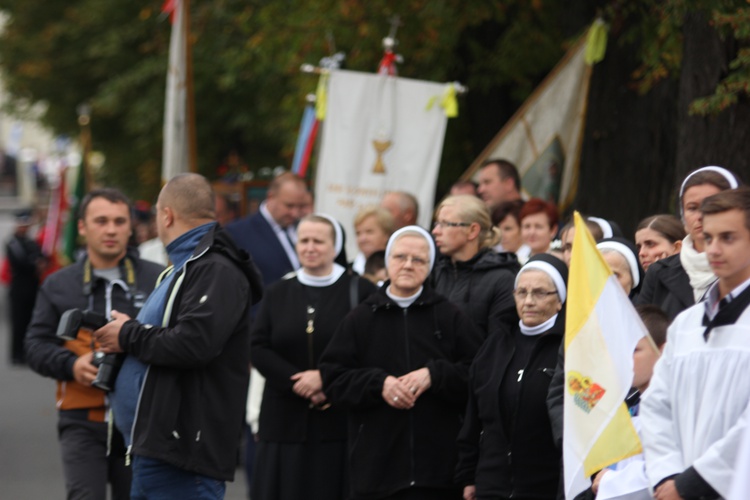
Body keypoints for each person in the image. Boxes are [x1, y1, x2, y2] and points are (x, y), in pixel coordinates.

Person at [95, 173, 263, 499]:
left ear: (167, 214)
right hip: (159, 449)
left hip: (184, 455)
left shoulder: (214, 268)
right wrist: (131, 330)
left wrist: (128, 334)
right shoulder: (185, 267)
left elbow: (194, 343)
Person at [320, 226, 482, 499]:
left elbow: (479, 374)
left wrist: (435, 375)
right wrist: (378, 383)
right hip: (377, 471)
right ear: (387, 261)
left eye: (418, 259)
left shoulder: (449, 316)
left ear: (430, 265)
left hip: (440, 471)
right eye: (400, 257)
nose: (408, 265)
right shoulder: (361, 318)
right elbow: (333, 377)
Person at [25, 188, 164, 500]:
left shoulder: (158, 279)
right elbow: (34, 346)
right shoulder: (59, 284)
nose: (111, 229)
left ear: (132, 227)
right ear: (83, 227)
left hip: (143, 420)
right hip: (82, 420)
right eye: (101, 221)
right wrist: (71, 365)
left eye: (119, 221)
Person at [250, 214, 376, 500]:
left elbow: (371, 348)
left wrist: (326, 379)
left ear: (335, 246)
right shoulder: (277, 291)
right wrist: (296, 381)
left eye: (318, 241)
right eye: (303, 240)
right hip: (283, 420)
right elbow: (258, 346)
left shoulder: (360, 291)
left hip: (338, 420)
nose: (309, 247)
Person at [641, 187, 750, 500]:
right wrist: (667, 475)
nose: (714, 249)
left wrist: (691, 484)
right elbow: (656, 405)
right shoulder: (686, 325)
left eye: (728, 237)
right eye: (709, 238)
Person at [456, 254, 568, 500]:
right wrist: (467, 476)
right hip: (492, 483)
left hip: (547, 485)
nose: (528, 301)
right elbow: (473, 418)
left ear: (560, 300)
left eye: (540, 293)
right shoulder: (494, 345)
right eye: (521, 292)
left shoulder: (570, 348)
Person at [575, 305, 668, 500]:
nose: (624, 359)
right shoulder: (629, 407)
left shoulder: (672, 408)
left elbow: (668, 471)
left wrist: (610, 481)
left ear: (663, 350)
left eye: (634, 350)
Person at [637, 166, 742, 320]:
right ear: (683, 215)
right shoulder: (658, 272)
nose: (700, 216)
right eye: (692, 208)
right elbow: (642, 334)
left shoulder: (744, 269)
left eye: (711, 205)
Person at [431, 195, 520, 339]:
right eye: (436, 224)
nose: (436, 231)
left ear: (472, 231)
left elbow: (498, 344)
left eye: (445, 224)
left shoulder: (502, 279)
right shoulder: (437, 272)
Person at [226, 171, 308, 286]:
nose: (295, 213)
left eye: (300, 206)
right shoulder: (238, 233)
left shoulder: (305, 228)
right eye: (289, 206)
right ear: (271, 197)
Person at [5, 208, 44, 365]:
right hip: (19, 289)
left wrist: (40, 262)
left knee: (31, 321)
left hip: (32, 287)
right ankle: (17, 355)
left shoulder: (31, 241)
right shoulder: (12, 242)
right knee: (18, 322)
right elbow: (20, 262)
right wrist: (35, 263)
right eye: (22, 224)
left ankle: (28, 352)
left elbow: (41, 256)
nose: (24, 227)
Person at [351, 206, 395, 275]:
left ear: (386, 234)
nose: (362, 239)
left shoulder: (396, 269)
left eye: (369, 232)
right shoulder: (348, 271)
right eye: (358, 233)